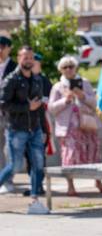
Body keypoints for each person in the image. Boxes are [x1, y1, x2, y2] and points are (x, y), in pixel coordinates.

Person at [48, 56, 102, 196]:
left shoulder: (85, 83)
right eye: (65, 67)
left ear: (75, 68)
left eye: (71, 66)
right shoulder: (57, 87)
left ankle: (98, 181)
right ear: (60, 70)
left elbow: (95, 103)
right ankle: (71, 186)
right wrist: (65, 100)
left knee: (93, 153)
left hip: (87, 125)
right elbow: (51, 108)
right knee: (70, 157)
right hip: (68, 128)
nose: (68, 69)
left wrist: (83, 96)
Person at [0, 46, 49, 214]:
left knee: (38, 164)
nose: (28, 60)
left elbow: (40, 106)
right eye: (25, 57)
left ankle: (34, 201)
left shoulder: (37, 79)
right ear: (19, 58)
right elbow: (3, 104)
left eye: (31, 58)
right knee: (15, 166)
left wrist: (43, 129)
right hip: (16, 129)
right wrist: (26, 107)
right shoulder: (11, 80)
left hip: (34, 129)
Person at [23, 53, 53, 196]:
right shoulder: (25, 79)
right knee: (28, 157)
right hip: (24, 123)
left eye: (35, 62)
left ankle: (39, 185)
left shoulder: (44, 81)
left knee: (39, 156)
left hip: (41, 123)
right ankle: (34, 184)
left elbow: (49, 101)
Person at [0, 36, 17, 193]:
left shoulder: (14, 67)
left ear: (8, 48)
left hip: (10, 113)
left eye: (2, 47)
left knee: (8, 148)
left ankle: (7, 181)